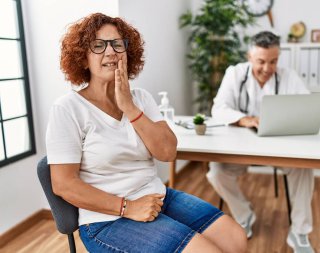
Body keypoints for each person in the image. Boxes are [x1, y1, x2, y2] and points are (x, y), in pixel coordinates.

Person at [46, 13, 247, 253]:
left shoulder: (141, 99)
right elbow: (64, 185)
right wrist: (127, 207)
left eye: (117, 44)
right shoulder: (67, 108)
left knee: (236, 240)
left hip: (157, 197)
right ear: (83, 57)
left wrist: (129, 107)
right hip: (106, 220)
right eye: (98, 46)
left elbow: (167, 152)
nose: (110, 52)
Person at [206, 31, 315, 253]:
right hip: (241, 150)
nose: (267, 68)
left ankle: (299, 232)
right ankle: (244, 214)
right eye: (261, 61)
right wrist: (244, 119)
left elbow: (308, 108)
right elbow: (219, 109)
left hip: (280, 150)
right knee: (216, 172)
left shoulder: (288, 76)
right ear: (249, 57)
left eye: (273, 61)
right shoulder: (235, 74)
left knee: (303, 169)